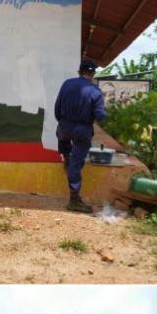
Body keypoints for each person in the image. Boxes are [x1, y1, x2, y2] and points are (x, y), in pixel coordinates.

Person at [53, 58, 106, 214]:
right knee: (77, 162)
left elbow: (57, 107)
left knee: (64, 143)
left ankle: (66, 158)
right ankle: (74, 200)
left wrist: (63, 122)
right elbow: (100, 116)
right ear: (93, 74)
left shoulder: (67, 84)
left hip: (64, 126)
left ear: (79, 71)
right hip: (82, 130)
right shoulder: (95, 91)